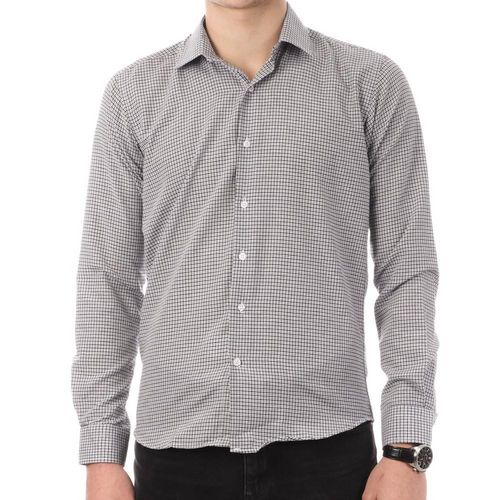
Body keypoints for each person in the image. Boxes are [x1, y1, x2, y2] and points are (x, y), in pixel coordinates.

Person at [71, 1, 440, 499]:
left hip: (328, 450)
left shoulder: (370, 83)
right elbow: (107, 278)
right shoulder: (133, 95)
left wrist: (407, 450)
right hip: (176, 453)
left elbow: (407, 269)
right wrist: (101, 456)